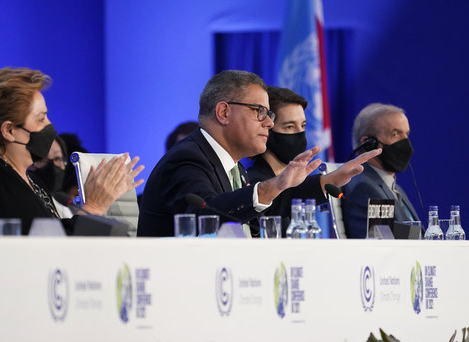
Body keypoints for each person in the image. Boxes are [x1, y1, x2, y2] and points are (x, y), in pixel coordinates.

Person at [137, 70, 377, 237]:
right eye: (259, 111)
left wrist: (326, 182)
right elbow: (206, 214)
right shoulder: (188, 158)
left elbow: (263, 207)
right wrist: (268, 188)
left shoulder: (232, 166)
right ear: (223, 112)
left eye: (269, 115)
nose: (269, 124)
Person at [0, 67, 144, 235]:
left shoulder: (29, 179)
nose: (50, 125)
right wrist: (94, 206)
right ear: (10, 131)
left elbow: (54, 235)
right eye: (41, 119)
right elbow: (47, 250)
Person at [247, 86, 379, 233]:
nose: (300, 134)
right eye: (289, 127)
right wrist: (326, 181)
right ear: (267, 130)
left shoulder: (299, 182)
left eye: (303, 126)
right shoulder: (254, 183)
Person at [342, 103, 420, 238]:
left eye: (406, 134)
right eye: (395, 134)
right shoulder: (365, 187)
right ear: (368, 144)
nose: (406, 143)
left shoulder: (394, 188)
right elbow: (382, 241)